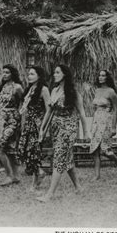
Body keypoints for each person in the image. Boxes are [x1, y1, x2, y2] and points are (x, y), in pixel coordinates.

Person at [36, 65, 89, 202]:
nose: (54, 74)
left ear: (65, 74)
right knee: (67, 158)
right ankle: (78, 187)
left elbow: (82, 114)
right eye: (54, 72)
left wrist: (85, 133)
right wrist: (42, 128)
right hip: (56, 129)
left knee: (59, 158)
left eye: (57, 72)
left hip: (68, 129)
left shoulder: (73, 93)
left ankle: (50, 194)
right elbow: (49, 111)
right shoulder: (54, 90)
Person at [18, 66, 51, 190]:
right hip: (28, 124)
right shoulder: (30, 89)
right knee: (25, 151)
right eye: (29, 74)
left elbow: (49, 110)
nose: (29, 76)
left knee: (33, 153)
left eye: (32, 74)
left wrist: (43, 128)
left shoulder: (44, 89)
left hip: (37, 125)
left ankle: (34, 183)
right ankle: (40, 173)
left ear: (39, 76)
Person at [90, 70, 117, 179]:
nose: (100, 77)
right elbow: (95, 108)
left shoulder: (111, 92)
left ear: (107, 78)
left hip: (107, 121)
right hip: (96, 121)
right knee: (94, 149)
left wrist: (114, 127)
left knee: (105, 150)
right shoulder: (97, 90)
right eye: (99, 75)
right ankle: (97, 175)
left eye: (103, 75)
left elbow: (116, 109)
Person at [0, 64, 24, 186]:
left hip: (13, 121)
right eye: (3, 72)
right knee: (9, 149)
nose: (4, 74)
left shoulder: (17, 87)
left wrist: (21, 119)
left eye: (7, 72)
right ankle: (16, 176)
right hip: (3, 121)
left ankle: (9, 176)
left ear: (12, 73)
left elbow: (24, 103)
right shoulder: (3, 86)